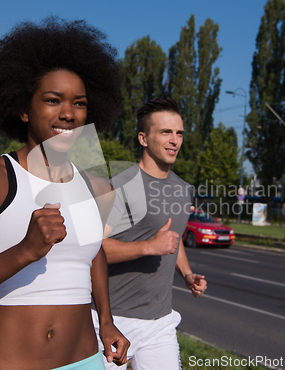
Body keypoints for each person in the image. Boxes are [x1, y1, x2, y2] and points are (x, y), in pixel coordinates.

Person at [0, 18, 129, 370]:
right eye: (53, 100)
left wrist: (106, 319)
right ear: (22, 107)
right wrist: (25, 251)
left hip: (86, 362)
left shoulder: (97, 186)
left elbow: (92, 253)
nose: (68, 113)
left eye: (79, 103)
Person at [92, 96, 207, 370]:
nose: (174, 140)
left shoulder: (183, 189)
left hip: (159, 322)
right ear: (143, 138)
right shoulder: (120, 186)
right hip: (111, 319)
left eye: (179, 133)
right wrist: (147, 247)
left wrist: (187, 274)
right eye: (165, 132)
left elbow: (173, 237)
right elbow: (93, 248)